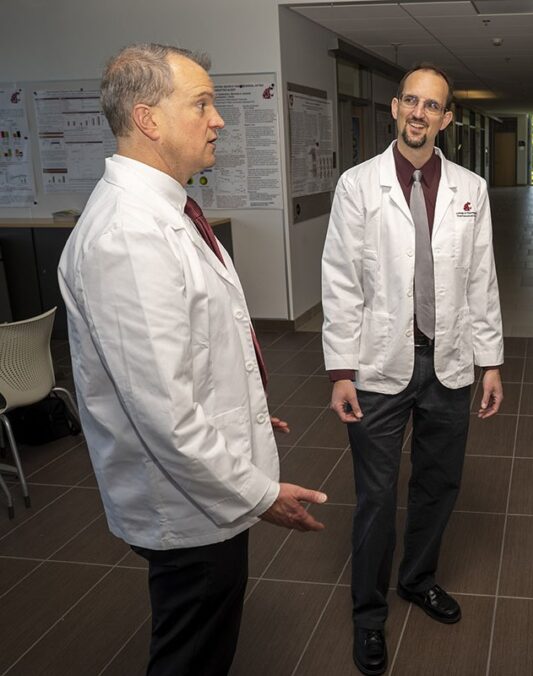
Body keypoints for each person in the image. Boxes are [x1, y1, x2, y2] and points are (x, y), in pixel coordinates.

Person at [58, 43, 328, 676]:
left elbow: (190, 352)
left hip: (202, 482)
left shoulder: (168, 212)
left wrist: (247, 411)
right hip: (187, 505)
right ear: (148, 119)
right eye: (202, 104)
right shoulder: (129, 236)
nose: (219, 120)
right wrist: (262, 495)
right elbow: (165, 414)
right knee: (191, 657)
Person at [321, 63, 503, 676]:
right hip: (376, 366)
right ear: (395, 109)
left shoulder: (470, 190)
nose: (420, 113)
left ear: (447, 118)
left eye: (433, 106)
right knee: (375, 496)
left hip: (449, 364)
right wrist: (341, 371)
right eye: (411, 102)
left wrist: (492, 361)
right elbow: (341, 282)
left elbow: (482, 282)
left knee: (437, 484)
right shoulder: (357, 186)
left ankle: (418, 578)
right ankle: (368, 615)